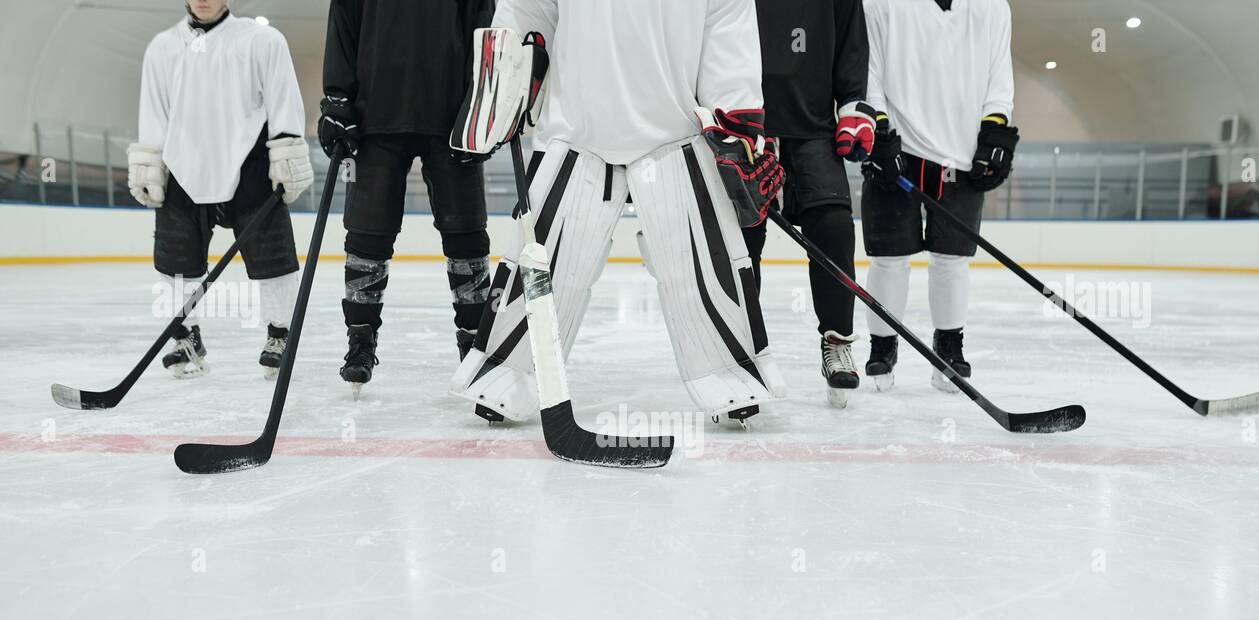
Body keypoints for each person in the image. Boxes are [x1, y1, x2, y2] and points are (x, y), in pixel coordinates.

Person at [449, 0, 787, 428]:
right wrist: (504, 82)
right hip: (576, 129)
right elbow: (527, 9)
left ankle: (734, 374)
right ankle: (506, 372)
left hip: (673, 132)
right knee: (549, 258)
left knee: (699, 260)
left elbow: (727, 18)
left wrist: (736, 128)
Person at [320, 0, 497, 395]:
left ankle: (476, 345)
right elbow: (343, 27)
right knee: (367, 235)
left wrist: (483, 107)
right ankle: (360, 340)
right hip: (375, 119)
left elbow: (484, 27)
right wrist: (336, 99)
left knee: (466, 234)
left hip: (453, 118)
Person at [129, 0, 312, 379]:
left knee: (271, 257)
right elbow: (153, 112)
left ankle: (280, 333)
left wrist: (286, 153)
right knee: (175, 260)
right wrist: (152, 165)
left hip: (249, 162)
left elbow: (284, 101)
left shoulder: (262, 40)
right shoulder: (162, 47)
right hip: (181, 166)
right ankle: (185, 337)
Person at [859, 0, 1018, 392]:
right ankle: (883, 347)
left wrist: (995, 131)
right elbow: (869, 70)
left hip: (962, 157)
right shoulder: (879, 4)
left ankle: (948, 348)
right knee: (889, 259)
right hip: (898, 149)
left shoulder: (993, 8)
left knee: (952, 260)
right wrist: (878, 129)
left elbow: (1000, 77)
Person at [743, 0, 873, 408]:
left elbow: (852, 47)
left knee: (834, 227)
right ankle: (739, 352)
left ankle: (837, 340)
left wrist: (853, 107)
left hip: (814, 128)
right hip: (746, 127)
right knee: (740, 244)